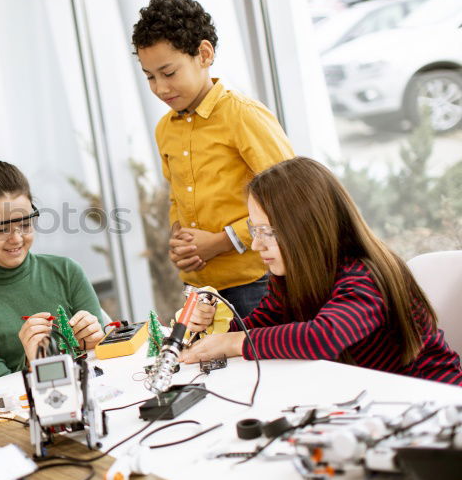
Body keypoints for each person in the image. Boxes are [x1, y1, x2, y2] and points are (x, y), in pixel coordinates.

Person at [180, 157, 462, 385]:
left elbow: (321, 338)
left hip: (436, 403)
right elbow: (253, 329)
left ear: (305, 230)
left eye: (267, 232)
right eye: (255, 230)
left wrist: (234, 340)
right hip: (374, 398)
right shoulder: (291, 278)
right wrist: (212, 323)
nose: (256, 244)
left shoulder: (364, 275)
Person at [132, 0, 294, 317]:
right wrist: (179, 238)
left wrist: (222, 241)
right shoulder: (165, 128)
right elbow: (177, 198)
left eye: (168, 72)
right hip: (200, 293)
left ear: (204, 54)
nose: (160, 88)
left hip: (256, 284)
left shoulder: (243, 116)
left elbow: (290, 198)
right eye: (150, 76)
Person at [0, 159, 106, 383]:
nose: (17, 239)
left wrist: (95, 339)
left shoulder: (67, 272)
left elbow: (104, 356)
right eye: (1, 229)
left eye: (25, 224)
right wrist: (31, 364)